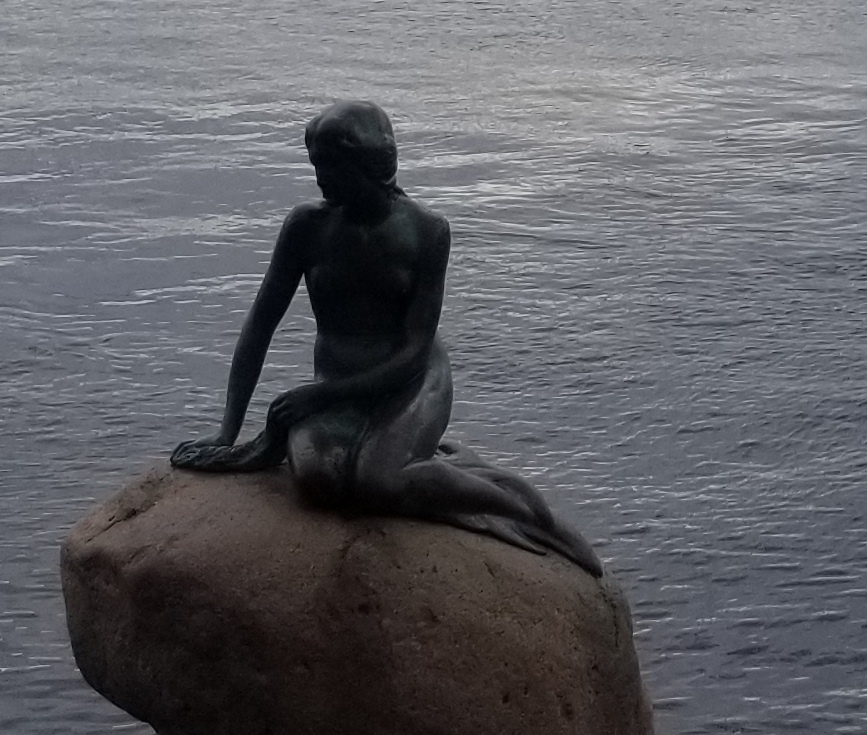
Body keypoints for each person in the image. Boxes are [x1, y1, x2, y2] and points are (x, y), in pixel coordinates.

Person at [168, 101, 606, 576]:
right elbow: (260, 326)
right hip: (339, 383)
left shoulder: (427, 231)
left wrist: (319, 396)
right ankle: (434, 468)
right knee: (319, 480)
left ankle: (523, 511)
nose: (319, 179)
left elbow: (415, 352)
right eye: (315, 165)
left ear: (369, 166)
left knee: (379, 480)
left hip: (411, 380)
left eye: (329, 167)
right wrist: (228, 430)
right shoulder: (306, 228)